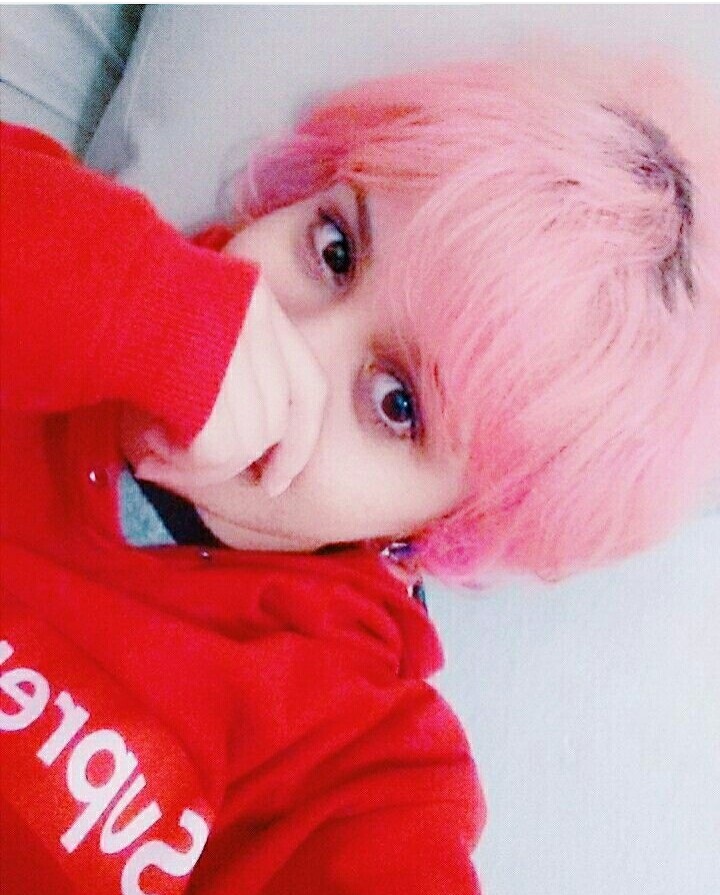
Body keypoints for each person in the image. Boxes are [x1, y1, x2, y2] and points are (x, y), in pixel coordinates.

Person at [2, 54, 719, 895]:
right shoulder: (62, 238)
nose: (297, 345)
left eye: (397, 404)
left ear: (452, 522)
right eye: (335, 249)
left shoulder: (354, 764)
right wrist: (141, 304)